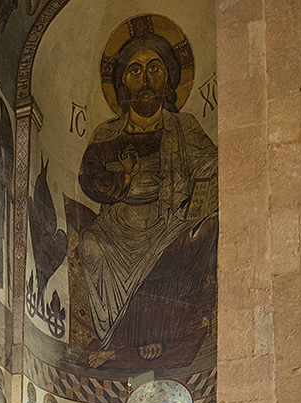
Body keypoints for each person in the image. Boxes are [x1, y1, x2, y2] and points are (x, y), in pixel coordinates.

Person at [78, 30, 218, 367]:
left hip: (170, 219)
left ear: (168, 78)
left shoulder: (185, 127)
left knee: (197, 236)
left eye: (154, 69)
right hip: (119, 223)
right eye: (135, 71)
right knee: (92, 245)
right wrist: (122, 179)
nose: (145, 80)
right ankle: (116, 337)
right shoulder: (107, 133)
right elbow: (89, 179)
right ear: (123, 82)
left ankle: (165, 334)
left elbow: (214, 165)